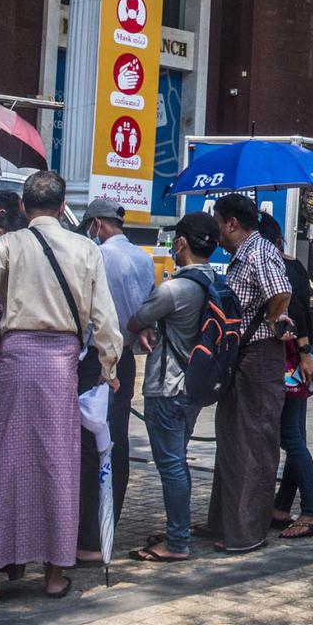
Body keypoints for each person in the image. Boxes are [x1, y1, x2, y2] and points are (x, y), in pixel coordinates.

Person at [0, 171, 121, 607]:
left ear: (24, 207)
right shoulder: (86, 249)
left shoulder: (8, 244)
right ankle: (55, 574)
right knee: (60, 464)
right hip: (62, 364)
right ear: (64, 207)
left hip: (16, 359)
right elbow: (105, 317)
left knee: (4, 464)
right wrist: (108, 364)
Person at [203, 193, 293, 555]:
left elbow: (281, 293)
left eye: (218, 222)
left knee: (254, 443)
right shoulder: (241, 256)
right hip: (241, 355)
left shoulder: (258, 252)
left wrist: (269, 324)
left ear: (232, 223)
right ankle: (226, 522)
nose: (216, 232)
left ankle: (247, 530)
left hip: (258, 355)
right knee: (233, 439)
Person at [127, 213, 215, 561]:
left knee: (172, 466)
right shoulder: (215, 283)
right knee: (178, 462)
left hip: (167, 386)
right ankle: (177, 532)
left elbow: (136, 319)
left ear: (181, 242)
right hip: (195, 386)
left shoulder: (175, 288)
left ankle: (177, 542)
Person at [74, 199, 156, 564]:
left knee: (92, 443)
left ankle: (89, 534)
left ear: (96, 224)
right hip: (125, 359)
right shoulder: (143, 258)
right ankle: (109, 520)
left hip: (95, 358)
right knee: (115, 440)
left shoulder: (97, 256)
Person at [262, 213, 313, 539]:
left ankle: (312, 510)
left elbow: (297, 312)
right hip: (299, 359)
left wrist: (302, 352)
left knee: (291, 439)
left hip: (288, 359)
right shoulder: (296, 266)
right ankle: (282, 506)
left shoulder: (276, 269)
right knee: (294, 435)